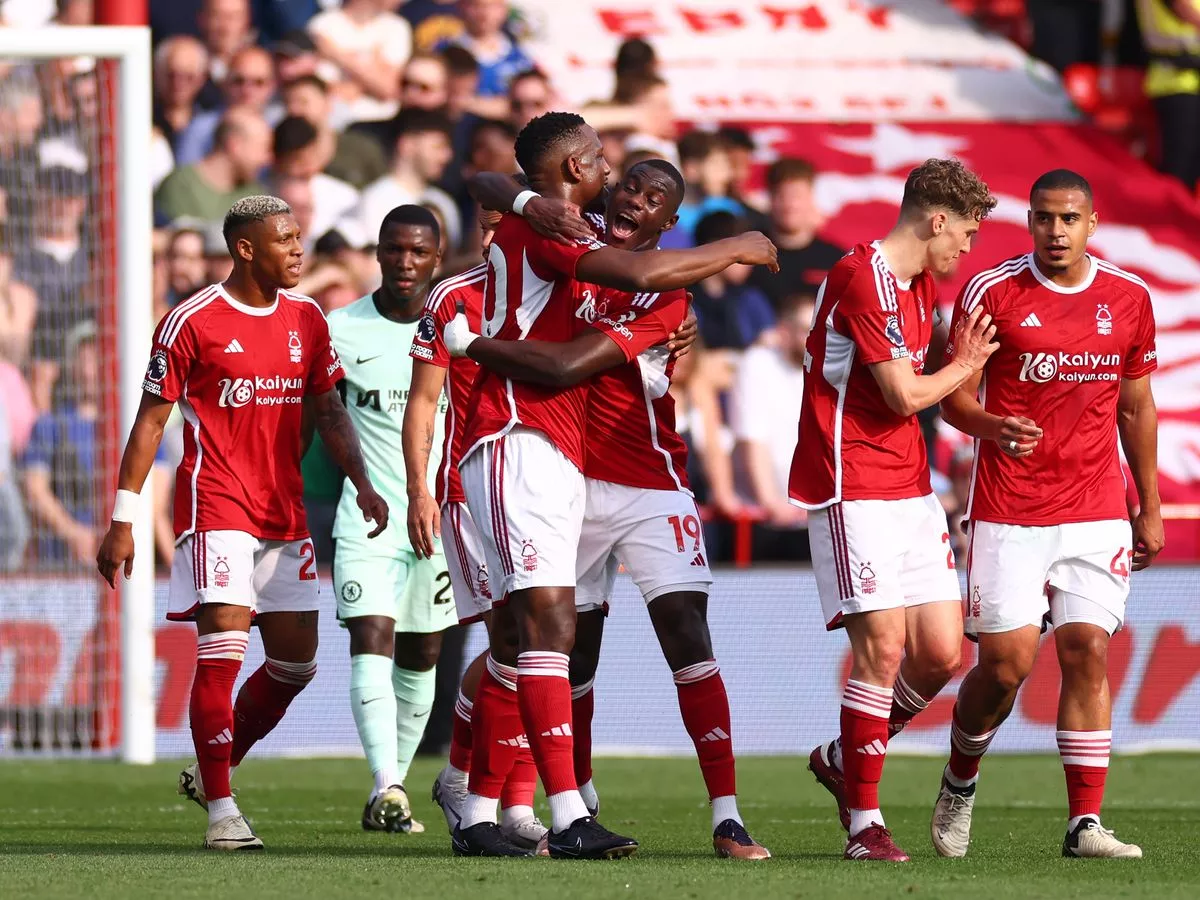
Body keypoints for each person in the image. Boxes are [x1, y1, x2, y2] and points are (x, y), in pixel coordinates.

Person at [445, 111, 777, 858]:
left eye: (649, 192)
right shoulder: (576, 236)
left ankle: (548, 809)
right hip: (524, 442)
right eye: (610, 170)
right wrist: (740, 246)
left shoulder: (654, 284)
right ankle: (527, 806)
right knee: (544, 638)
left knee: (564, 633)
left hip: (625, 471)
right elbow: (495, 180)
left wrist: (527, 205)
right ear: (579, 175)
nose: (620, 186)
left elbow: (501, 184)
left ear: (670, 217)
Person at [95, 195, 388, 852]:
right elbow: (150, 422)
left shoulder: (309, 319)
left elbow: (329, 412)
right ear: (246, 247)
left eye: (298, 237)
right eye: (283, 239)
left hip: (283, 511)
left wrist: (363, 481)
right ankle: (223, 810)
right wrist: (123, 518)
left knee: (294, 665)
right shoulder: (190, 321)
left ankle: (209, 771)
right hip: (216, 505)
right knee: (223, 652)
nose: (297, 250)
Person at [928, 169, 1162, 861]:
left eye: (1069, 219)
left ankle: (1084, 823)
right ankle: (960, 779)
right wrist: (994, 425)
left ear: (1092, 224)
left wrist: (1148, 504)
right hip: (1009, 506)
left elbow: (1136, 405)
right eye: (1043, 219)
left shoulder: (1128, 297)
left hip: (1095, 506)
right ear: (1028, 222)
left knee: (1087, 647)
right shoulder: (993, 292)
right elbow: (954, 398)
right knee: (1005, 667)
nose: (1055, 232)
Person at [791, 158, 999, 863]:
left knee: (940, 653)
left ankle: (841, 759)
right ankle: (863, 824)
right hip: (850, 484)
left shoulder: (920, 285)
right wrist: (965, 365)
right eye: (965, 233)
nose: (966, 248)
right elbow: (905, 395)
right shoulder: (863, 276)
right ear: (935, 218)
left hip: (909, 488)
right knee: (880, 651)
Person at [404, 213, 545, 854]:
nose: (500, 237)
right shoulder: (454, 295)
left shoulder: (560, 290)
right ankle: (482, 792)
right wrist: (420, 488)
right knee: (510, 641)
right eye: (492, 224)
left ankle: (496, 794)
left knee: (538, 648)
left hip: (546, 493)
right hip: (470, 492)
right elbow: (425, 400)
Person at [326, 204, 455, 836]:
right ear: (377, 253)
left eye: (418, 252)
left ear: (438, 257)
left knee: (423, 651)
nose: (405, 262)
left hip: (439, 520)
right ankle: (388, 783)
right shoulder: (340, 328)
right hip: (369, 514)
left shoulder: (461, 330)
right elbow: (313, 418)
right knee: (371, 634)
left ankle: (390, 793)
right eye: (393, 250)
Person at [731, 294, 813, 532]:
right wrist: (771, 503)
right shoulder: (757, 364)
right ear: (784, 331)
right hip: (766, 517)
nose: (816, 338)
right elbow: (752, 439)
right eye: (806, 330)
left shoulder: (824, 370)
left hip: (812, 510)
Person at [22, 321, 100, 566]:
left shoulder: (135, 428)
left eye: (95, 359)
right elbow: (35, 490)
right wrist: (73, 533)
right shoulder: (49, 426)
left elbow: (156, 496)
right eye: (83, 359)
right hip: (61, 565)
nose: (89, 370)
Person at [357, 110, 460, 251]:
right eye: (438, 147)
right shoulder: (377, 199)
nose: (447, 156)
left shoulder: (444, 202)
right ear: (407, 145)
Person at [750, 158, 845, 309]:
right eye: (782, 196)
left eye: (797, 196)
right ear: (770, 199)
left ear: (811, 198)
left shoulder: (836, 260)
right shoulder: (750, 257)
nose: (790, 205)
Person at [154, 108, 271, 225]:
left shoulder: (254, 194)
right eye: (262, 148)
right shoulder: (181, 186)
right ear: (235, 145)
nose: (266, 159)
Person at [307, 0, 412, 125]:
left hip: (379, 123)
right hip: (329, 121)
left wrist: (336, 55)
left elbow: (388, 89)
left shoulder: (397, 27)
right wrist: (370, 74)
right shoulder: (322, 24)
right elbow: (316, 88)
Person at [280, 75, 388, 190]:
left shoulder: (360, 148)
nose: (294, 111)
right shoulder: (279, 155)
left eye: (303, 102)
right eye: (288, 103)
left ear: (327, 103)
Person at [270, 116, 360, 244]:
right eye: (297, 161)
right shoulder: (257, 190)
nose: (307, 167)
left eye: (309, 158)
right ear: (277, 160)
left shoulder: (344, 196)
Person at [437, 0, 533, 98]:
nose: (485, 14)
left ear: (504, 9)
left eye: (493, 6)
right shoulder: (443, 53)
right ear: (461, 7)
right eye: (476, 5)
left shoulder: (520, 57)